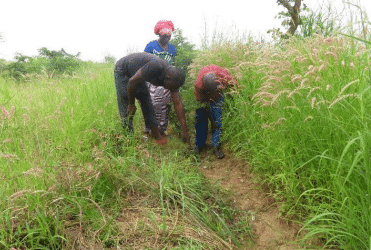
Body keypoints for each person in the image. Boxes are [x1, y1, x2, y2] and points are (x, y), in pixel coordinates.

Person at [114, 52, 190, 146]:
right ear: (167, 78)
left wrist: (184, 131)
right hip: (123, 70)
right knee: (126, 106)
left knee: (147, 101)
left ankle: (157, 137)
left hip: (137, 74)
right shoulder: (156, 67)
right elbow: (132, 82)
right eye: (172, 87)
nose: (172, 90)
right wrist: (131, 103)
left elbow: (178, 103)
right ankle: (129, 142)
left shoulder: (174, 79)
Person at [194, 65, 238, 159]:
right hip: (204, 96)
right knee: (201, 118)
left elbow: (235, 87)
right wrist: (211, 120)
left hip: (218, 95)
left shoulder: (224, 77)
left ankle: (215, 145)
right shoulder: (199, 85)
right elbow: (202, 104)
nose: (212, 95)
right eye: (210, 93)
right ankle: (199, 145)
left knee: (217, 118)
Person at [143, 20, 176, 137]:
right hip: (152, 80)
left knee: (166, 105)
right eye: (164, 33)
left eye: (169, 33)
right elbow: (144, 62)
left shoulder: (172, 48)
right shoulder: (151, 46)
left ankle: (161, 130)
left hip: (166, 81)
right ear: (159, 33)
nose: (167, 35)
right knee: (153, 104)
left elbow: (173, 63)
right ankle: (148, 129)